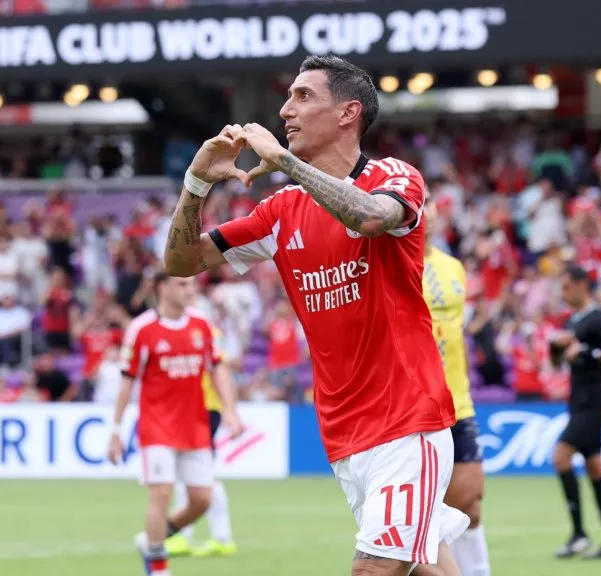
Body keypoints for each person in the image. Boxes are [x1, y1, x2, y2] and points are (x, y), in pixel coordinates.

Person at [162, 54, 467, 576]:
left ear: (348, 113)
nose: (286, 110)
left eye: (303, 97)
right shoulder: (280, 211)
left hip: (407, 419)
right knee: (425, 569)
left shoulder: (394, 176)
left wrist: (285, 163)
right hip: (345, 431)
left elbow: (371, 217)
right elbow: (181, 262)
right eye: (288, 97)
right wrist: (195, 184)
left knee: (373, 569)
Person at [107, 273, 242, 576]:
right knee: (162, 492)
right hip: (157, 427)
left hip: (195, 425)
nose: (189, 290)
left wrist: (231, 411)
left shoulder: (201, 324)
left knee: (201, 500)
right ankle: (158, 568)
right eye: (182, 284)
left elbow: (218, 368)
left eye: (192, 284)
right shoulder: (142, 329)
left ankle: (152, 540)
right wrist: (115, 431)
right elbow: (127, 383)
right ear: (161, 288)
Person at [422, 197, 491, 576]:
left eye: (430, 206)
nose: (426, 215)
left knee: (470, 503)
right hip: (414, 405)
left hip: (458, 400)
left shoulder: (454, 268)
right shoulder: (390, 261)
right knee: (423, 513)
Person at [549, 264, 601, 560]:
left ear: (583, 285)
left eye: (567, 285)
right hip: (578, 397)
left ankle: (579, 535)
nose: (563, 291)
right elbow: (560, 364)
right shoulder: (573, 321)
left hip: (594, 399)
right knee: (595, 466)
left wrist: (588, 353)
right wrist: (556, 349)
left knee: (560, 457)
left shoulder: (600, 318)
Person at [165, 322, 238, 559]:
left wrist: (230, 410)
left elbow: (222, 371)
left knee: (197, 473)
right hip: (192, 408)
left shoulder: (206, 331)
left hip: (203, 408)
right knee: (193, 472)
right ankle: (211, 537)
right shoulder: (187, 329)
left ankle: (195, 537)